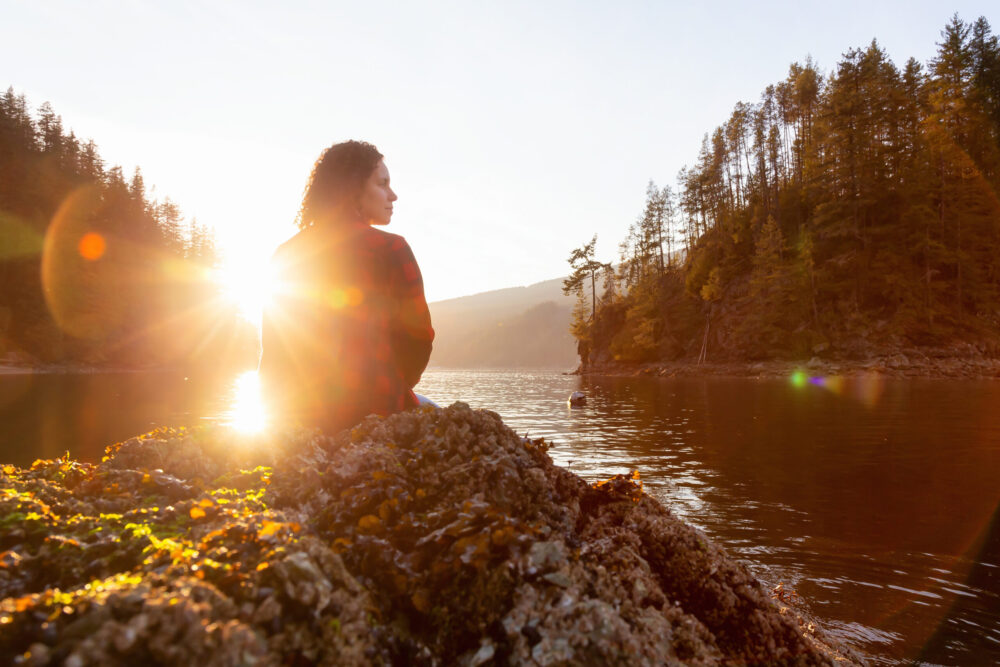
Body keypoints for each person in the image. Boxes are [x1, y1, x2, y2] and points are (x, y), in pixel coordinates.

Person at [259, 140, 434, 432]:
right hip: (373, 412)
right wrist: (386, 385)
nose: (393, 195)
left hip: (296, 417)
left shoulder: (287, 253)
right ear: (354, 188)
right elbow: (418, 340)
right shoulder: (391, 249)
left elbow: (275, 350)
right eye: (383, 184)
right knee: (438, 414)